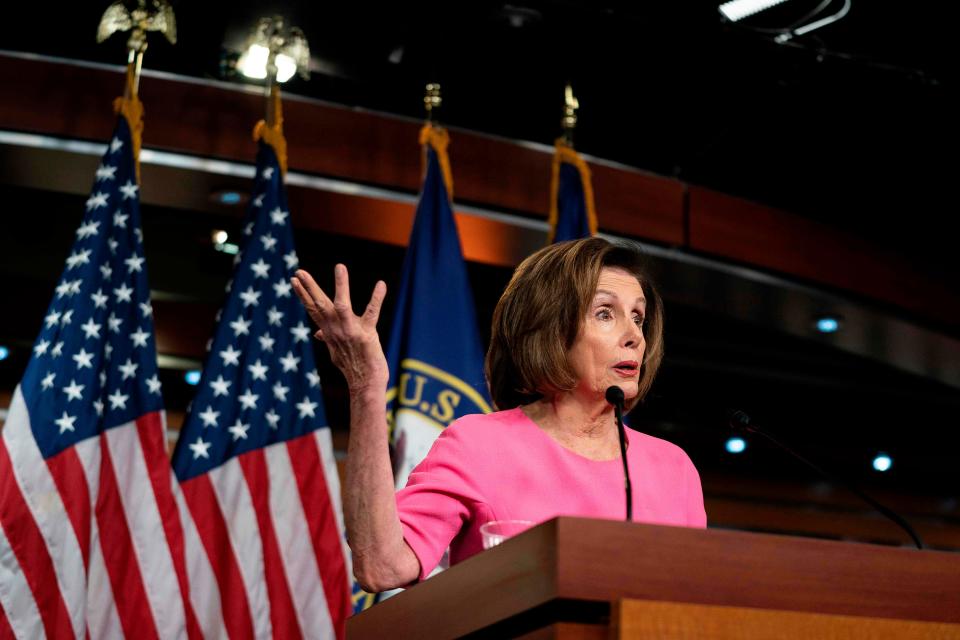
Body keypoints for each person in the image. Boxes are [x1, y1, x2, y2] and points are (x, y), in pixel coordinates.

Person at [291, 237, 706, 593]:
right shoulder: (479, 445)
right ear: (548, 327)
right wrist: (366, 389)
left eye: (638, 316)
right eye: (605, 313)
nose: (635, 335)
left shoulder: (674, 469)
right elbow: (382, 566)